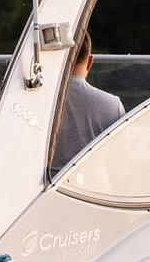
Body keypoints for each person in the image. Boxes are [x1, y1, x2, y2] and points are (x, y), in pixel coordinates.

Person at [50, 29, 124, 171]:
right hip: (92, 188)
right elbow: (119, 166)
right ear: (89, 62)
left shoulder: (35, 101)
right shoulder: (111, 104)